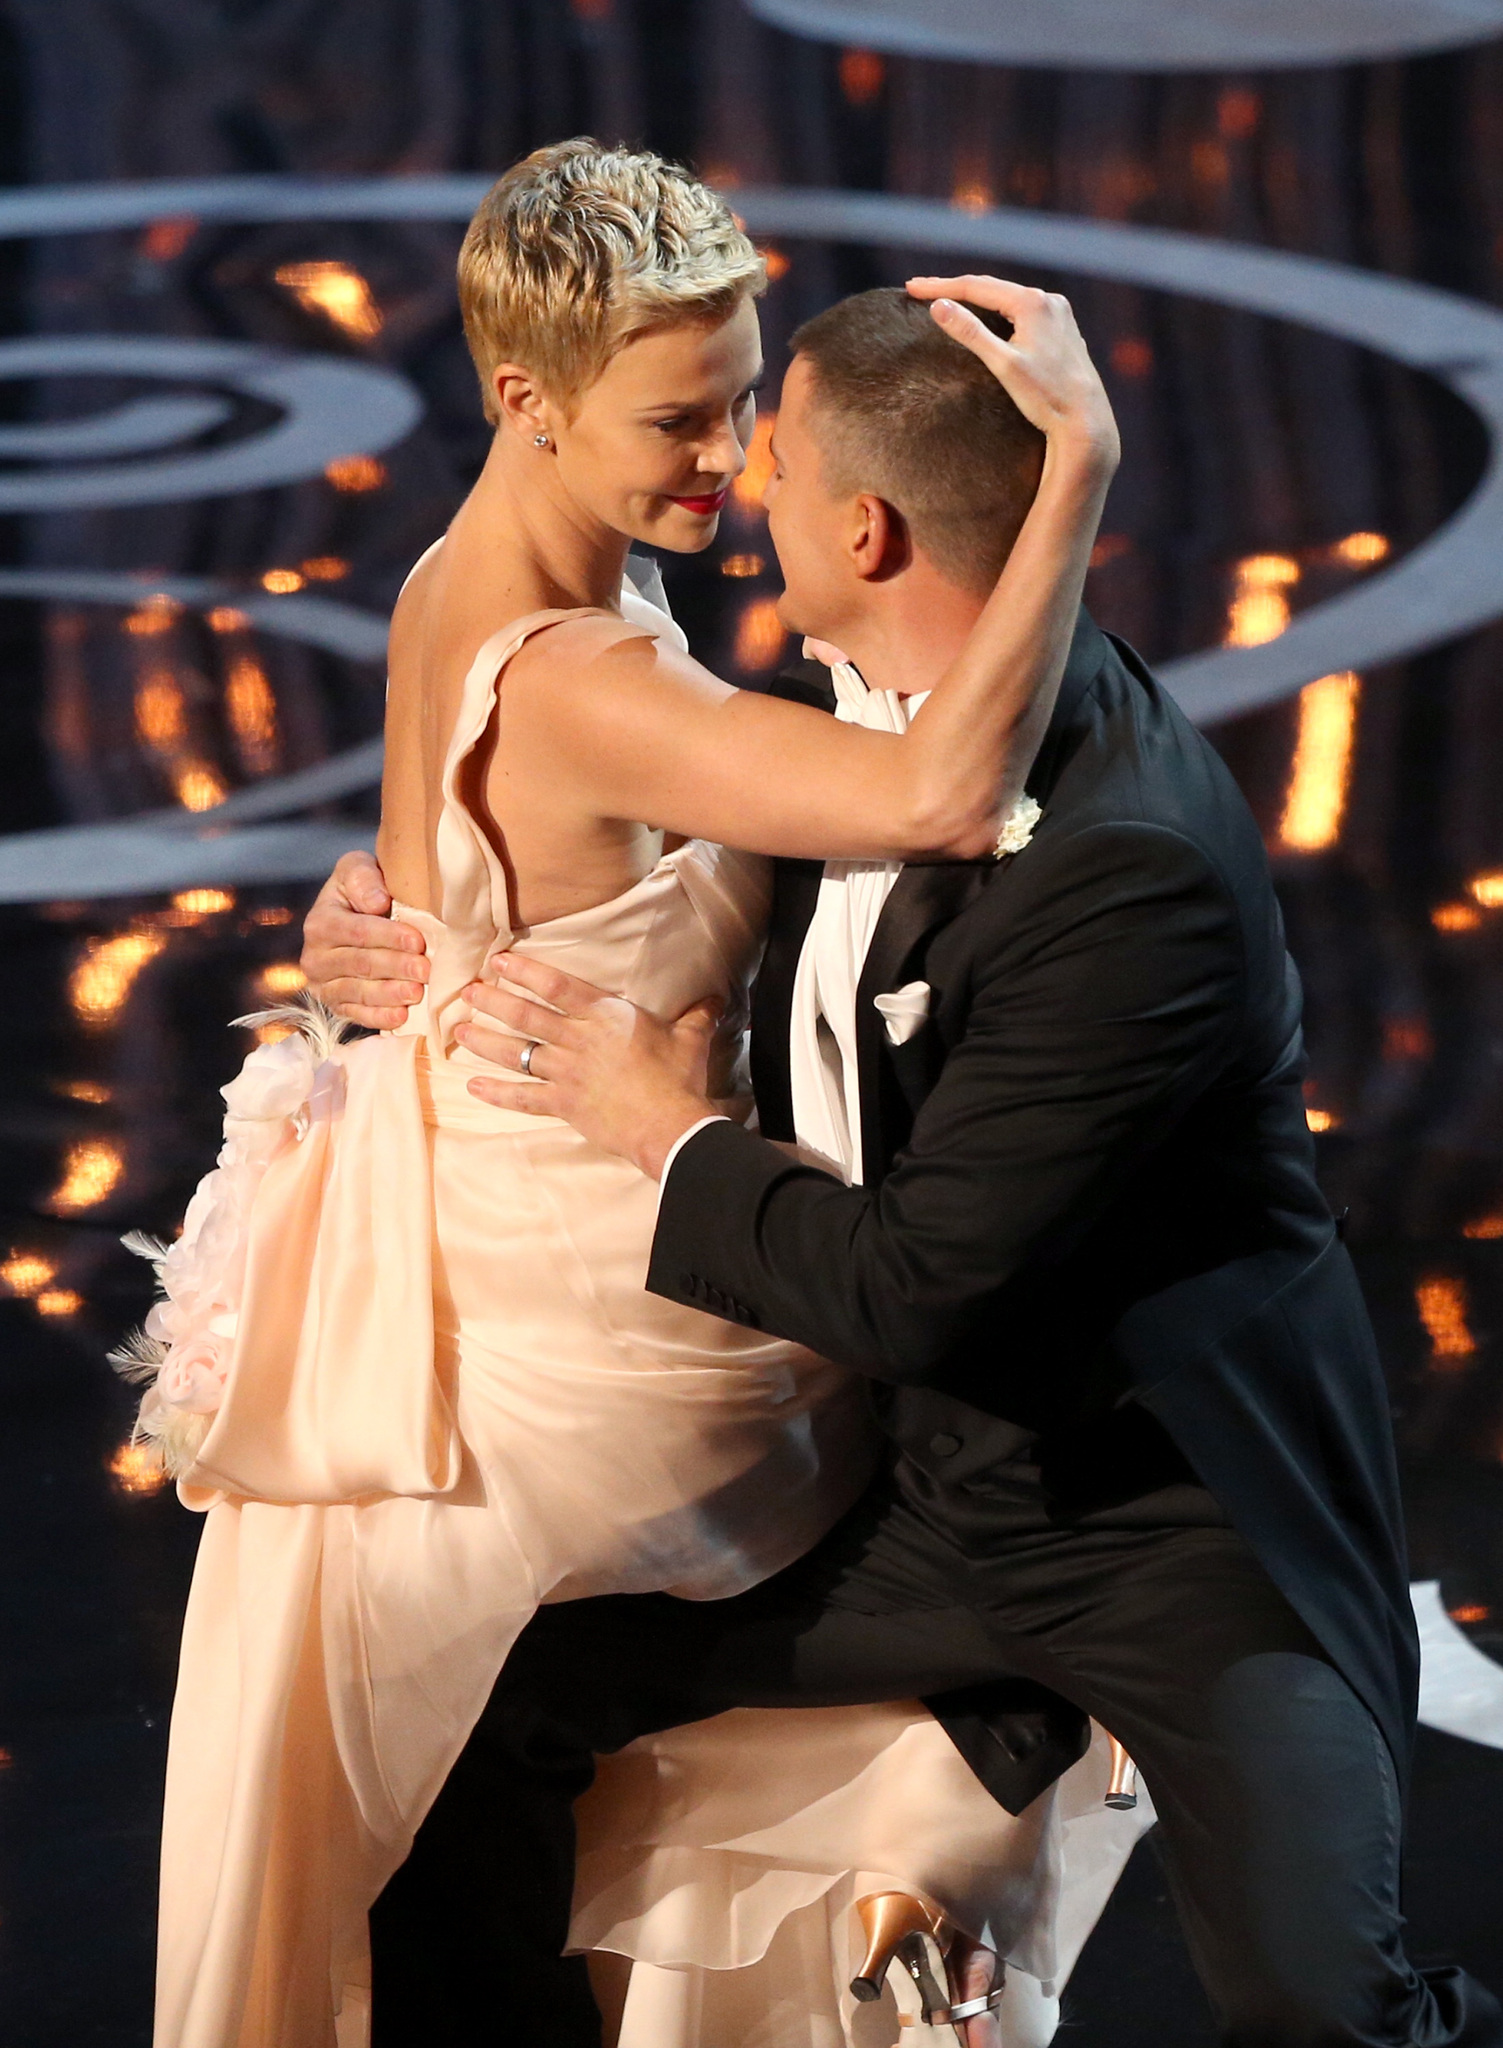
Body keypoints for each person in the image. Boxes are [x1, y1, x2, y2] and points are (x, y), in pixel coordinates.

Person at [308, 278, 1503, 2044]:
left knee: (1326, 2012)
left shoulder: (1126, 872)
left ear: (862, 529)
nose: (735, 490)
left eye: (768, 461)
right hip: (914, 1492)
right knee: (469, 1713)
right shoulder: (856, 718)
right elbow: (624, 868)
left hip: (1169, 1527)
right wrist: (392, 917)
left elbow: (921, 1284)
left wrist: (668, 1132)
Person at [129, 139, 1126, 2048]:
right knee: (962, 1617)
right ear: (524, 401)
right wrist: (1073, 475)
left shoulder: (457, 580)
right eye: (682, 416)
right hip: (585, 1370)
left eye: (746, 403)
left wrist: (378, 911)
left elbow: (465, 863)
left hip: (490, 1288)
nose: (736, 459)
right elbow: (939, 800)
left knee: (498, 1851)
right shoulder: (581, 663)